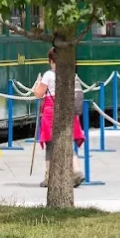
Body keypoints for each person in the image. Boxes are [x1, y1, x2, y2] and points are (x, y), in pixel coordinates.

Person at [32, 48, 86, 188]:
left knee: (50, 145)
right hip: (68, 111)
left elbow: (39, 94)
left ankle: (49, 177)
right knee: (68, 142)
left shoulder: (48, 75)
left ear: (51, 61)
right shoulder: (70, 74)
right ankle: (76, 171)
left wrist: (36, 87)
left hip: (51, 113)